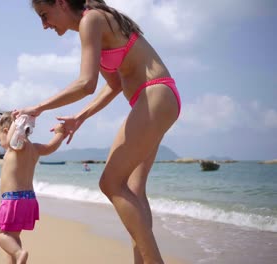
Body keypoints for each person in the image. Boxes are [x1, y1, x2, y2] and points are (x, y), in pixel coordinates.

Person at [14, 1, 182, 263]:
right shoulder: (94, 25)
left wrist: (38, 107)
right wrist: (79, 117)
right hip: (156, 98)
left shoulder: (90, 20)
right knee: (134, 191)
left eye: (44, 16)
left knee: (110, 182)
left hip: (155, 94)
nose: (44, 25)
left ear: (60, 3)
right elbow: (113, 85)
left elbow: (85, 84)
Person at [0, 112, 67, 264]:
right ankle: (18, 258)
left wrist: (18, 118)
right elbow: (51, 146)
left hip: (13, 200)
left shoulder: (16, 146)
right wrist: (60, 133)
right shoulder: (35, 149)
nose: (1, 144)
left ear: (8, 132)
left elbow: (15, 133)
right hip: (29, 200)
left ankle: (19, 254)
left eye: (0, 139)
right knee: (12, 237)